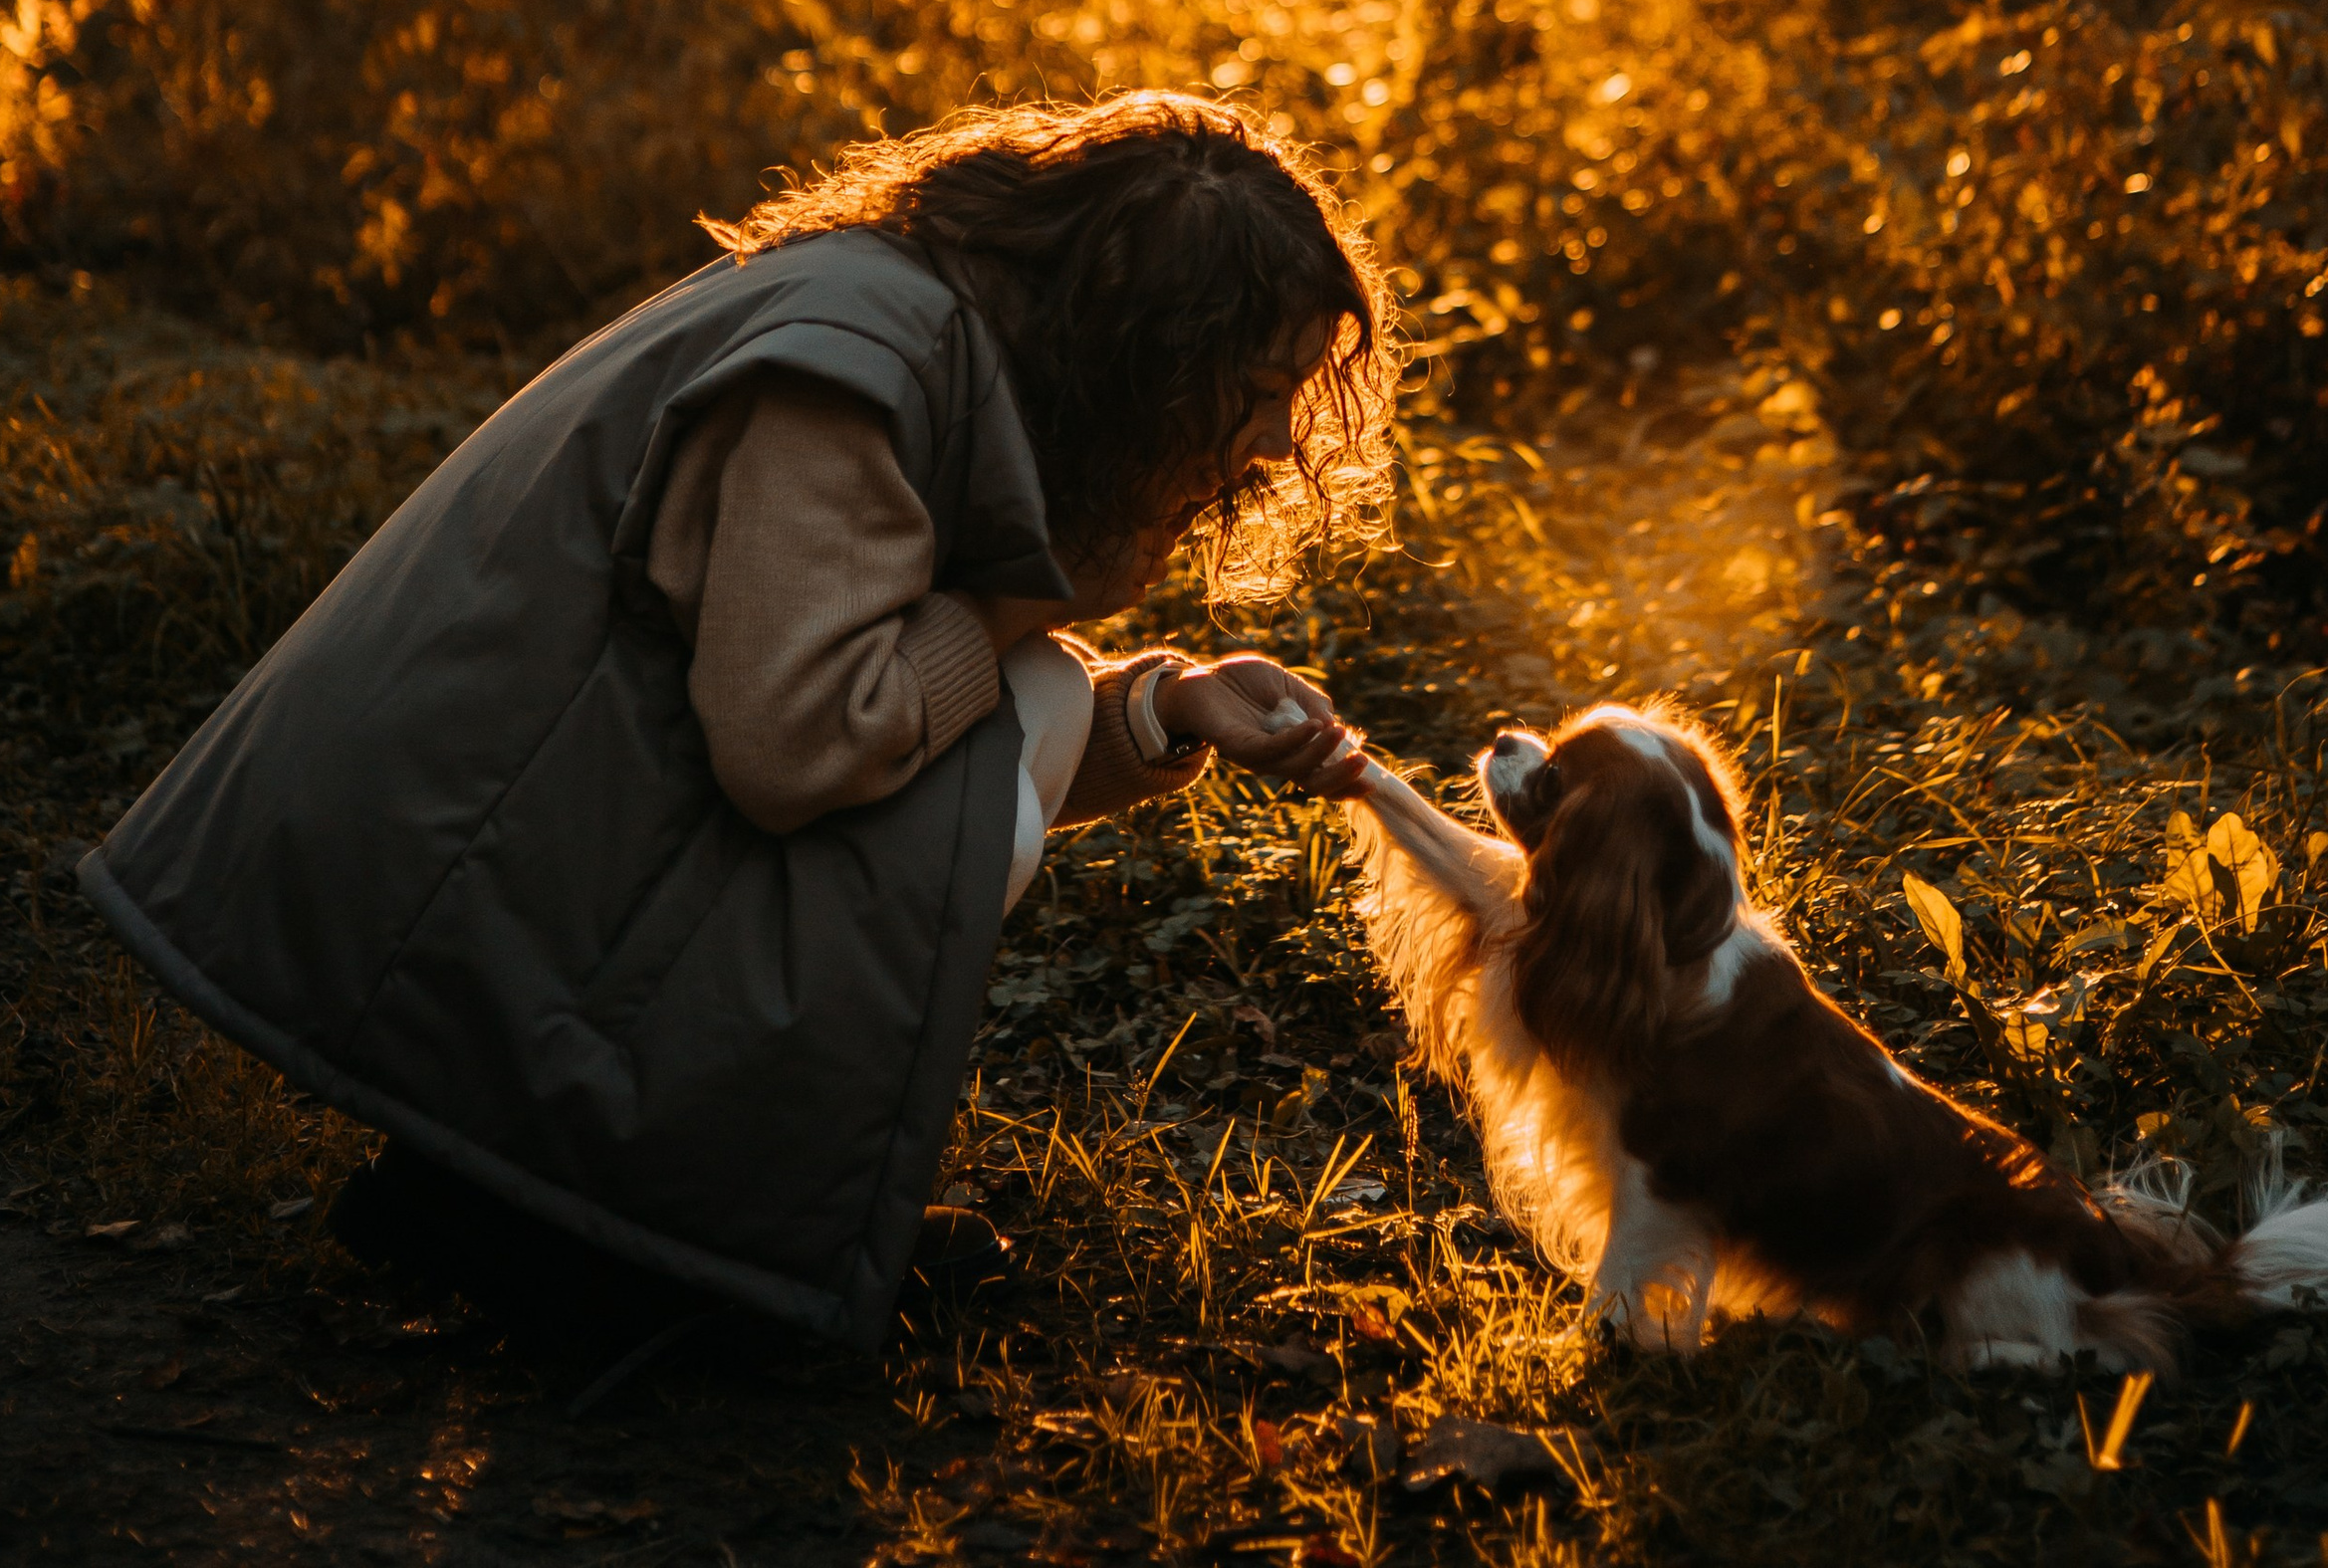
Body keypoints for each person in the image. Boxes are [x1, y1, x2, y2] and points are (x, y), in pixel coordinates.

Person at [78, 95, 1388, 1352]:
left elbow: (930, 711)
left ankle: (524, 1184)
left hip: (544, 824)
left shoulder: (932, 327)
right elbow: (792, 748)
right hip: (454, 856)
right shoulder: (857, 379)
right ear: (1146, 344)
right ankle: (604, 1218)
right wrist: (1012, 604)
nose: (1281, 439)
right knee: (1024, 681)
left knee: (1038, 684)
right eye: (1257, 385)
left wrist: (1168, 704)